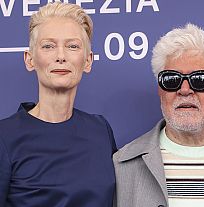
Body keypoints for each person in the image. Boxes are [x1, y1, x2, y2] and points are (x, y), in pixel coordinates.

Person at [113, 23, 204, 207]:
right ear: (161, 92)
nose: (184, 90)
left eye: (200, 80)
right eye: (172, 80)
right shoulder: (122, 165)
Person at [0, 2, 117, 207]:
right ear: (30, 59)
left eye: (72, 46)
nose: (61, 56)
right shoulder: (4, 137)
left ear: (88, 61)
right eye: (48, 46)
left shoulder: (100, 130)